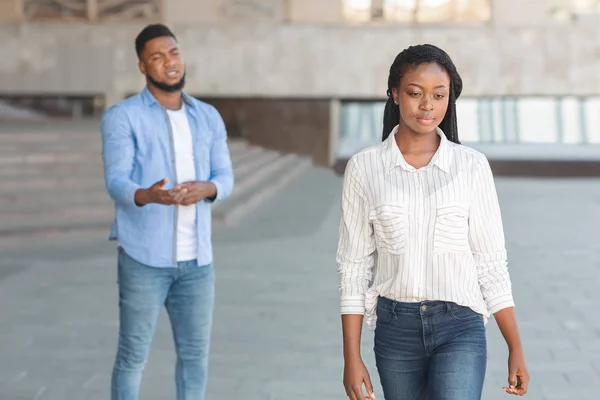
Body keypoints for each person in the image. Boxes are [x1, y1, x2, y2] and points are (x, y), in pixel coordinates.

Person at [336, 44, 530, 400]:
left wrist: (514, 345)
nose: (427, 105)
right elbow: (353, 267)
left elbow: (491, 264)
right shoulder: (364, 169)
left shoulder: (471, 166)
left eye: (439, 95)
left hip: (460, 325)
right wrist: (351, 357)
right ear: (394, 93)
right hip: (395, 328)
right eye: (415, 93)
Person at [100, 24, 234, 400]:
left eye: (173, 52)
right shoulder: (122, 116)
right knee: (132, 357)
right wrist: (147, 195)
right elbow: (116, 180)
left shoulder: (208, 116)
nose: (169, 62)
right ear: (143, 67)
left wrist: (209, 188)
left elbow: (224, 175)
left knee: (194, 356)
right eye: (157, 57)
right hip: (144, 258)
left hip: (198, 263)